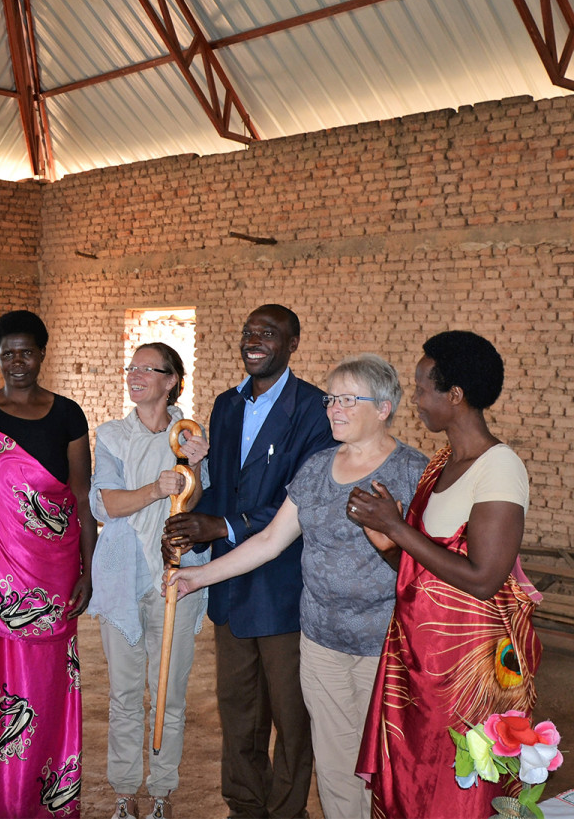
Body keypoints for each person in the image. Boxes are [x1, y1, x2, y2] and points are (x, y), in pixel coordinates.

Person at [167, 354, 427, 819]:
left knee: (385, 761)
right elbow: (269, 541)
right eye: (331, 399)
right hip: (322, 642)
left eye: (348, 400)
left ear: (384, 408)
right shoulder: (317, 467)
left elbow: (430, 562)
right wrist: (197, 576)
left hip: (385, 643)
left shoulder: (413, 471)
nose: (334, 408)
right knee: (334, 762)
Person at [352, 331, 540, 819]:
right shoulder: (441, 464)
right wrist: (387, 540)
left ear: (454, 394)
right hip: (420, 665)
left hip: (469, 673)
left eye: (421, 388)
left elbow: (483, 579)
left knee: (458, 793)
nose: (414, 400)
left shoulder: (499, 467)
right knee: (416, 785)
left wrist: (397, 527)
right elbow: (423, 573)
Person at [164, 304, 333, 819]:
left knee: (290, 715)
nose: (254, 340)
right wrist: (193, 530)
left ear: (293, 343)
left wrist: (223, 526)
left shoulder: (314, 409)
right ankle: (244, 805)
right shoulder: (227, 404)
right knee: (238, 709)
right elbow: (224, 486)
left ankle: (287, 811)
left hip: (284, 587)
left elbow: (301, 498)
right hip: (230, 588)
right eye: (249, 331)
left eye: (269, 333)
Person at [0, 309, 97, 819]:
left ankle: (35, 802)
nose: (18, 362)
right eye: (8, 353)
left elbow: (80, 496)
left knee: (43, 692)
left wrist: (87, 569)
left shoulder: (68, 415)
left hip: (50, 580)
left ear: (42, 354)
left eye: (27, 352)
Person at [87, 343, 209, 819]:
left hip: (176, 577)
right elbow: (106, 505)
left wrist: (194, 467)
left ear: (171, 380)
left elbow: (196, 504)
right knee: (123, 695)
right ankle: (124, 792)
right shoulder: (112, 435)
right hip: (122, 576)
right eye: (131, 367)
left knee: (168, 693)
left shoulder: (190, 435)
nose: (134, 375)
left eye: (146, 369)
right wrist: (156, 489)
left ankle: (161, 793)